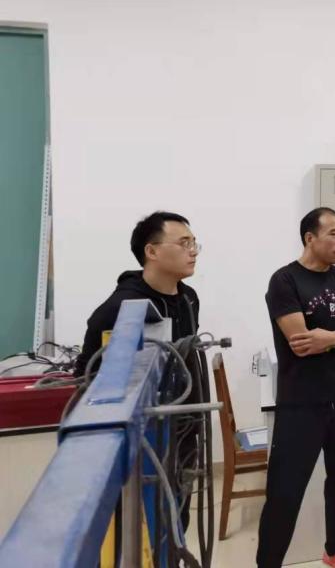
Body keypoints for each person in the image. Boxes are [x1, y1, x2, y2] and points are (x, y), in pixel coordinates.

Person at [74, 210, 202, 529]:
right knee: (142, 525)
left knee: (178, 519)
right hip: (141, 441)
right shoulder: (120, 309)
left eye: (194, 243)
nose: (193, 251)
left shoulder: (189, 298)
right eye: (184, 243)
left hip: (183, 429)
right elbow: (86, 377)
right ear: (152, 251)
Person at [256, 207, 335, 568]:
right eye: (334, 233)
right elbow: (302, 343)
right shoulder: (284, 281)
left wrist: (330, 338)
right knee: (284, 492)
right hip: (301, 403)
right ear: (310, 238)